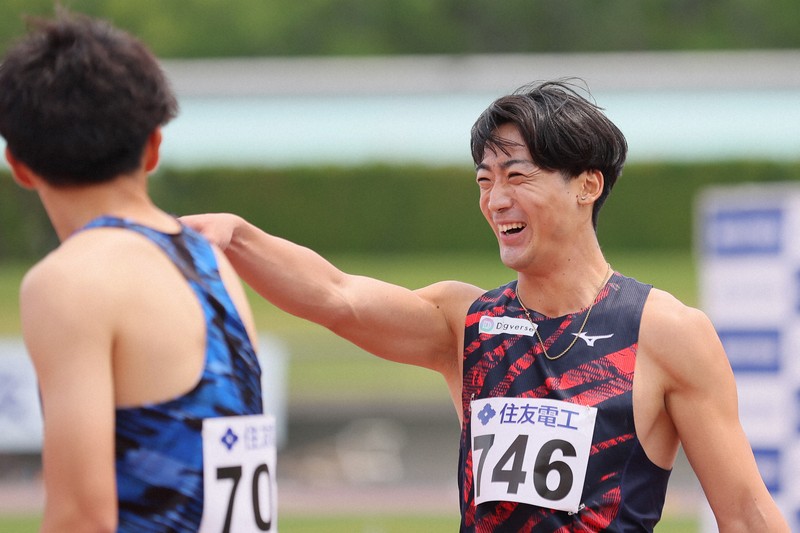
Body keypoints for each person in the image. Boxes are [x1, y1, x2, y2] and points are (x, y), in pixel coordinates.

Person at [182, 80, 790, 532]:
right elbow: (337, 297)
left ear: (587, 184)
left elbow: (743, 513)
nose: (496, 199)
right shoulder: (465, 322)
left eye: (517, 176)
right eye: (483, 180)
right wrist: (238, 236)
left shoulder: (666, 331)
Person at [0, 12, 271, 533]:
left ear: (18, 165)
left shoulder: (68, 281)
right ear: (153, 147)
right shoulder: (209, 260)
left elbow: (82, 516)